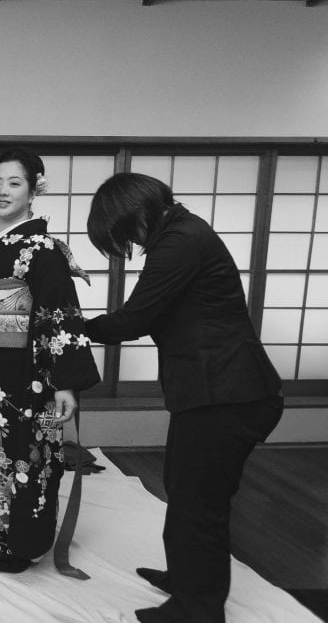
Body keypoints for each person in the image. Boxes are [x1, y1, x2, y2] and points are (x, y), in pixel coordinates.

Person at [84, 173, 282, 623]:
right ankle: (187, 578)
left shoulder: (180, 242)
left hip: (227, 394)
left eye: (124, 232)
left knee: (200, 502)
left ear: (139, 212)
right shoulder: (182, 233)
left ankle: (198, 609)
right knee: (183, 487)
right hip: (212, 393)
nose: (131, 243)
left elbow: (134, 320)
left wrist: (72, 326)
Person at [0, 148, 100, 573]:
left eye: (14, 183)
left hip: (24, 375)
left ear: (33, 191)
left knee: (20, 454)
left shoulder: (43, 249)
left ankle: (17, 542)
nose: (2, 191)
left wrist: (66, 383)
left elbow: (59, 314)